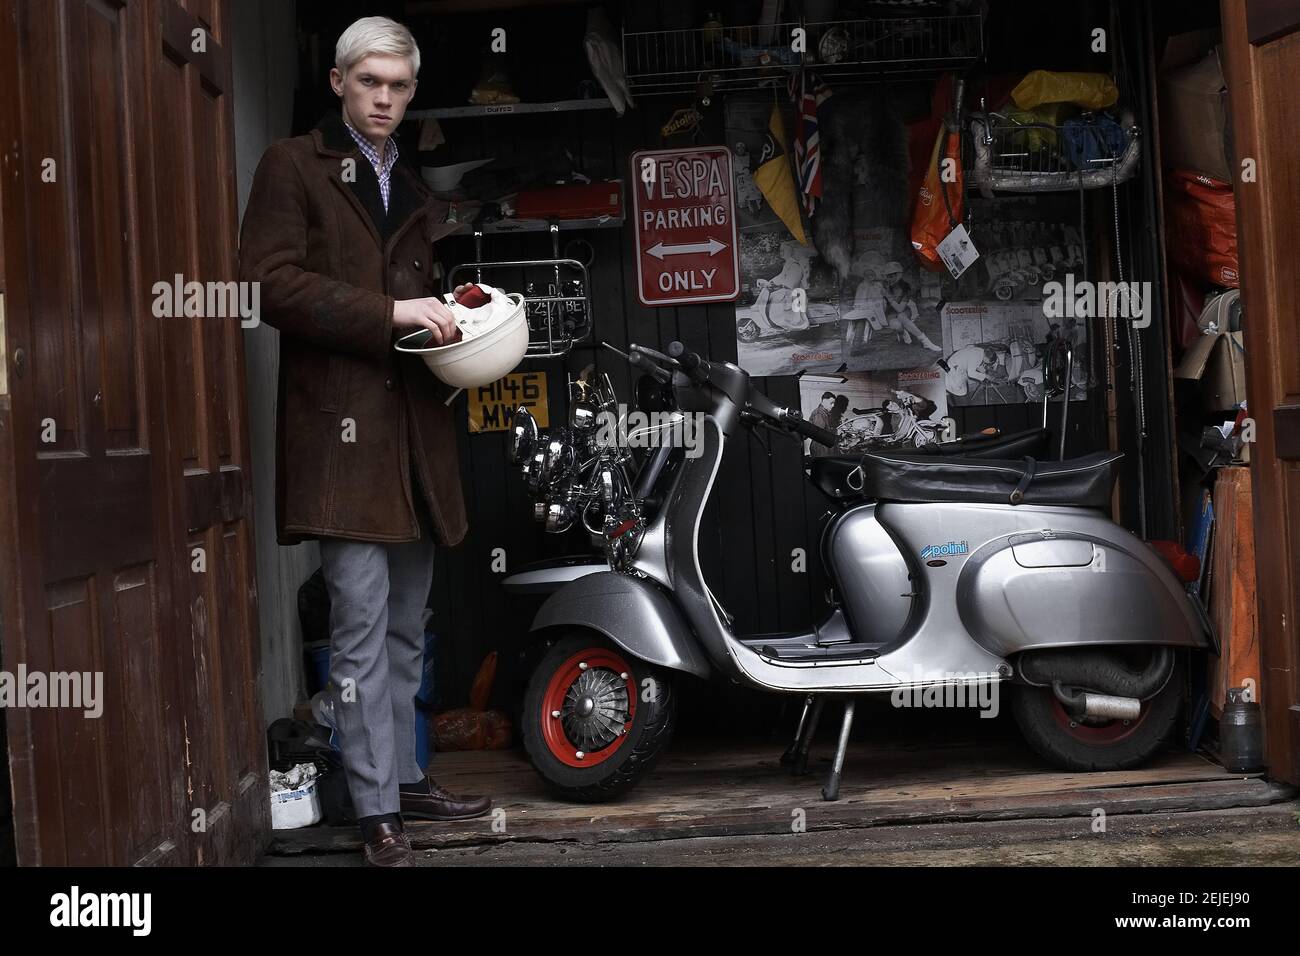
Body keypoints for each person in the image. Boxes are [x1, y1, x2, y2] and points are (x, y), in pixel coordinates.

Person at [239, 16, 491, 868]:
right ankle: (372, 807)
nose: (384, 98)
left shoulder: (408, 182)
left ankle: (407, 778)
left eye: (399, 86)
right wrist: (391, 315)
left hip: (413, 435)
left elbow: (411, 295)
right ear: (342, 82)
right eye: (370, 83)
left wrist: (458, 315)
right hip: (341, 436)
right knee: (356, 626)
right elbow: (268, 284)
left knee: (407, 628)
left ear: (412, 91)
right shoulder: (292, 165)